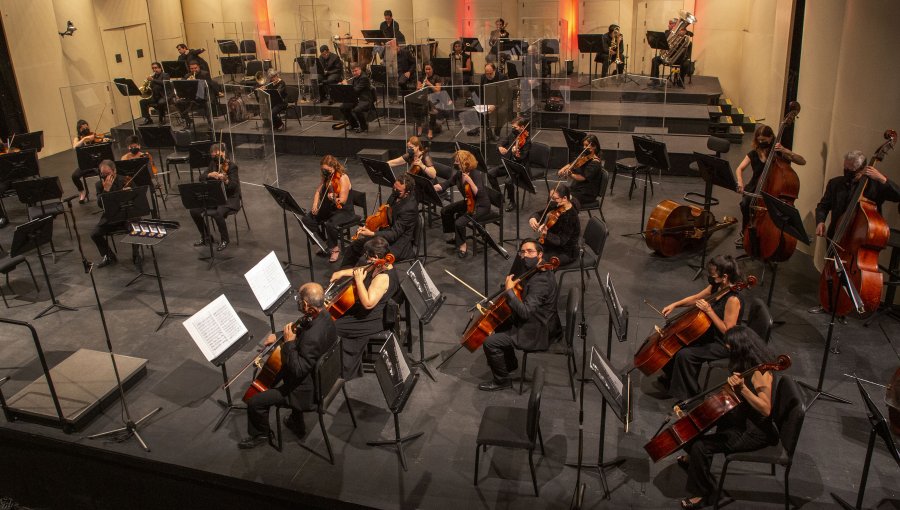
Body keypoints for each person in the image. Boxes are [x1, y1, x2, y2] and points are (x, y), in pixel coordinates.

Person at [679, 325, 778, 509]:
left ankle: (701, 494)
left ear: (741, 346)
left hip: (753, 431)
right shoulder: (745, 362)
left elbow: (766, 409)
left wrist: (743, 389)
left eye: (730, 346)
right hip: (741, 416)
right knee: (697, 423)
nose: (727, 349)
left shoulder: (761, 373)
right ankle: (695, 460)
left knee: (701, 446)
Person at [238, 282, 337, 449]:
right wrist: (279, 336)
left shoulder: (313, 336)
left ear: (306, 305)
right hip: (321, 377)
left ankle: (261, 434)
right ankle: (296, 422)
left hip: (304, 391)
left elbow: (298, 370)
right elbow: (302, 331)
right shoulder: (324, 316)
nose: (298, 301)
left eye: (299, 299)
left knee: (255, 402)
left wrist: (289, 343)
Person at [808, 149, 900, 314]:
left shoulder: (875, 186)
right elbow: (823, 206)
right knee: (831, 271)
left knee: (849, 276)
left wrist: (882, 179)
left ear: (864, 169)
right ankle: (827, 303)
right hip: (836, 235)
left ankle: (845, 307)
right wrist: (820, 221)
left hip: (856, 243)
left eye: (852, 171)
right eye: (846, 169)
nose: (847, 174)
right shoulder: (835, 183)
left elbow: (898, 195)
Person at [657, 254, 745, 402]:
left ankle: (691, 396)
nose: (710, 277)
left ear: (724, 276)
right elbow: (696, 297)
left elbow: (728, 331)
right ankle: (671, 379)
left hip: (723, 343)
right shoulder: (717, 285)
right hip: (710, 333)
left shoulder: (733, 299)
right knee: (675, 342)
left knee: (686, 355)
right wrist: (675, 305)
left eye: (713, 274)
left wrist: (709, 310)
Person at [479, 239, 561, 391]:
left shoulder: (540, 282)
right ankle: (510, 364)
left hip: (537, 330)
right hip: (540, 319)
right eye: (523, 252)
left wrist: (510, 291)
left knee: (490, 343)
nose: (525, 255)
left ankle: (502, 381)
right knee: (500, 321)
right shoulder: (540, 269)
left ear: (540, 254)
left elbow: (524, 312)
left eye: (530, 251)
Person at [330, 236, 400, 379]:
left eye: (367, 255)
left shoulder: (383, 278)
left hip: (370, 319)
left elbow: (368, 303)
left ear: (375, 257)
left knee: (331, 327)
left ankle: (337, 366)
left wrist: (359, 282)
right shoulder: (379, 264)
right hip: (363, 313)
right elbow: (362, 269)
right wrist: (342, 272)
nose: (365, 258)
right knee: (334, 317)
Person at [734, 124, 806, 249]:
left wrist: (785, 150)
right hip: (754, 188)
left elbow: (802, 161)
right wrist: (740, 182)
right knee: (745, 205)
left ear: (771, 137)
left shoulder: (778, 153)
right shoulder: (753, 153)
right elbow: (739, 168)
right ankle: (745, 233)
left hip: (772, 190)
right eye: (759, 140)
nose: (761, 142)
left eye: (764, 140)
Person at [340, 174, 418, 267]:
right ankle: (343, 273)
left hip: (399, 243)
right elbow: (386, 214)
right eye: (394, 187)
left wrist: (372, 234)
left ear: (407, 193)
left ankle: (363, 278)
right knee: (355, 246)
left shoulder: (409, 208)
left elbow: (394, 234)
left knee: (367, 259)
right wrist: (372, 224)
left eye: (398, 191)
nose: (394, 191)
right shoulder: (395, 195)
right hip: (387, 234)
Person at [435, 150, 490, 258]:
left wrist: (470, 181)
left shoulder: (475, 174)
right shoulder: (459, 174)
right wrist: (434, 187)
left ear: (466, 162)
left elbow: (479, 193)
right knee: (445, 211)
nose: (456, 164)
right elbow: (446, 184)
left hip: (480, 205)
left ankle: (462, 246)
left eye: (457, 161)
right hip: (468, 202)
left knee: (459, 222)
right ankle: (457, 238)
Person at [189, 143, 241, 251]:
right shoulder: (213, 164)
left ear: (223, 152)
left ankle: (225, 239)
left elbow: (233, 186)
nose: (215, 158)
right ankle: (206, 237)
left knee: (218, 213)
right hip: (215, 197)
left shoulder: (232, 166)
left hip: (229, 199)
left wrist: (225, 179)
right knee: (194, 210)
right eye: (213, 156)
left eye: (217, 155)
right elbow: (201, 177)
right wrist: (209, 175)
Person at [302, 155, 354, 263]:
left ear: (333, 167)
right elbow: (318, 192)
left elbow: (343, 200)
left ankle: (334, 249)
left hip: (344, 211)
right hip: (330, 209)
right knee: (307, 220)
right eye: (323, 170)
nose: (324, 172)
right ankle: (323, 242)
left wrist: (334, 198)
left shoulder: (343, 178)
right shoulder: (326, 177)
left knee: (331, 224)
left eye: (326, 170)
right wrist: (315, 205)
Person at [91, 160, 141, 269]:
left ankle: (136, 254)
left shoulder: (125, 180)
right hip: (111, 217)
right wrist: (106, 190)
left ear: (114, 171)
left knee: (134, 228)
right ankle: (109, 256)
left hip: (128, 215)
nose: (105, 177)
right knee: (95, 234)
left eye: (107, 174)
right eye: (102, 174)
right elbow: (101, 205)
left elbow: (138, 197)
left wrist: (130, 193)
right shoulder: (100, 185)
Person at [527, 184, 580, 267]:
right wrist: (533, 218)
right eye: (550, 197)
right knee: (525, 250)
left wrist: (546, 233)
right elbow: (539, 213)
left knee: (535, 260)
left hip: (565, 251)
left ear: (565, 198)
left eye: (554, 198)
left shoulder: (571, 217)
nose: (551, 201)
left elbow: (561, 241)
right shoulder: (555, 205)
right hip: (550, 244)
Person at [492, 116, 530, 210]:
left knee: (508, 181)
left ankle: (512, 202)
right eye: (512, 127)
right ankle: (499, 197)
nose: (513, 129)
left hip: (519, 167)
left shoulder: (527, 141)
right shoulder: (513, 134)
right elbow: (501, 142)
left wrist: (515, 154)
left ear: (522, 127)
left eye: (515, 127)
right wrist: (500, 147)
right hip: (508, 164)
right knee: (490, 173)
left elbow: (522, 158)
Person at [70, 119, 110, 204]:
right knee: (74, 176)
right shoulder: (77, 138)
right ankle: (82, 191)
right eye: (83, 128)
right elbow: (75, 147)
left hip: (97, 163)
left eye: (86, 127)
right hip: (86, 165)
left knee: (105, 171)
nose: (85, 129)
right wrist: (84, 138)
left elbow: (102, 142)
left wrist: (104, 140)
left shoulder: (93, 135)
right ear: (79, 129)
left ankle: (106, 189)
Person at [558, 134, 604, 206]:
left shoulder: (595, 163)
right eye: (584, 145)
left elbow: (582, 178)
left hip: (586, 194)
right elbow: (573, 163)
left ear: (594, 146)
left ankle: (566, 215)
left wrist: (570, 174)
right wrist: (563, 169)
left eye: (586, 145)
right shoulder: (586, 157)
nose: (584, 147)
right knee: (556, 193)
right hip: (578, 188)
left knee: (562, 199)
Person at [177, 61, 223, 128]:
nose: (194, 70)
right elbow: (181, 84)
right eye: (192, 69)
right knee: (178, 103)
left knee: (207, 103)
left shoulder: (205, 74)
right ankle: (188, 120)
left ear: (199, 67)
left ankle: (210, 123)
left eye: (195, 68)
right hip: (193, 96)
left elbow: (207, 85)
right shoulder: (188, 75)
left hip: (205, 95)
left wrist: (195, 81)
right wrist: (187, 82)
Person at [649, 18, 692, 84]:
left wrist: (685, 32)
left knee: (686, 64)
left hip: (678, 58)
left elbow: (690, 34)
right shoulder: (667, 32)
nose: (668, 25)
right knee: (655, 60)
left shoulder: (684, 33)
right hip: (668, 56)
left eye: (670, 23)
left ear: (675, 25)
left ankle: (680, 81)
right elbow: (664, 41)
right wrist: (673, 33)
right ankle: (655, 80)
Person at [339, 63, 374, 133]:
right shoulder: (355, 78)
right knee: (343, 107)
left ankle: (364, 127)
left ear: (360, 69)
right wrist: (342, 86)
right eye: (353, 71)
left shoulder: (364, 78)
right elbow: (352, 91)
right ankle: (354, 125)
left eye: (356, 70)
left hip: (365, 100)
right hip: (356, 99)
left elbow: (355, 90)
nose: (354, 73)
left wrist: (346, 85)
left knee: (357, 110)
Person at [479, 63, 508, 142]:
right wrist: (482, 105)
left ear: (494, 70)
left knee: (502, 112)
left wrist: (495, 105)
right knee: (481, 112)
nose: (488, 75)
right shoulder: (483, 77)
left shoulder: (502, 77)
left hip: (500, 102)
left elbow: (504, 94)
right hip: (487, 101)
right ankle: (489, 134)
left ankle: (497, 132)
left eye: (490, 73)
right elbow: (481, 93)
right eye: (486, 73)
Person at [414, 64, 444, 139]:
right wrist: (419, 88)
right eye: (426, 69)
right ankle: (419, 127)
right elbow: (417, 90)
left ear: (432, 69)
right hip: (423, 97)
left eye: (429, 69)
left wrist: (429, 84)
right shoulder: (421, 78)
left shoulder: (437, 77)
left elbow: (438, 90)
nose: (427, 71)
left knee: (432, 107)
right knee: (415, 105)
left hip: (434, 97)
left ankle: (430, 130)